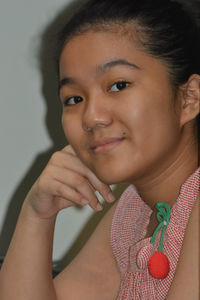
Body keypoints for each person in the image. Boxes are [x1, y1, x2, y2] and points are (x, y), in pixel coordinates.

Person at [0, 0, 199, 299]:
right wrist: (36, 217)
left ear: (189, 99)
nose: (92, 117)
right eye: (74, 99)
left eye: (118, 85)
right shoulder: (134, 211)